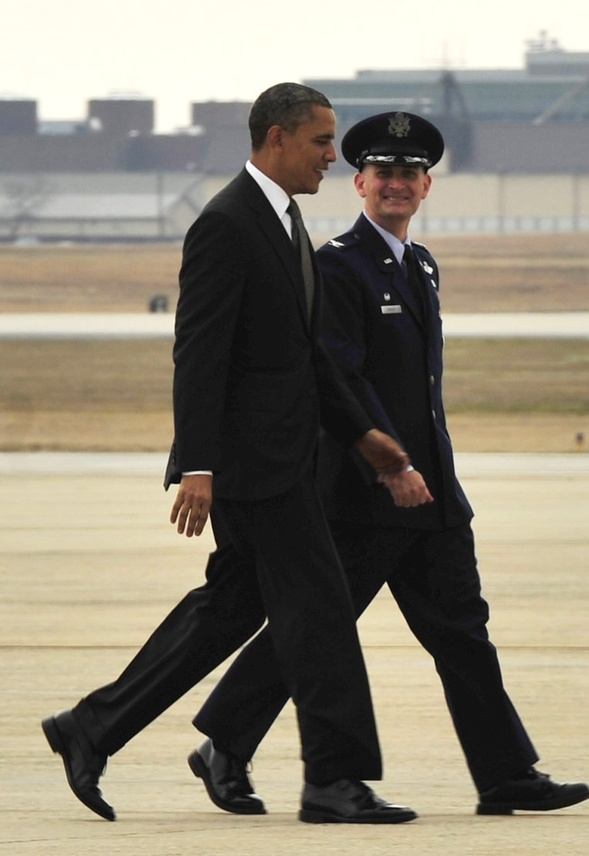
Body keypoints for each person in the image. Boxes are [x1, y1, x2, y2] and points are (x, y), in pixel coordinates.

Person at [188, 111, 589, 816]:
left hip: (431, 497)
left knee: (464, 634)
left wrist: (431, 476)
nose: (397, 186)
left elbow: (420, 390)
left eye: (410, 176)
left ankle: (505, 776)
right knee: (314, 633)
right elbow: (340, 379)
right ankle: (225, 741)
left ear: (427, 186)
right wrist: (389, 462)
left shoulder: (421, 264)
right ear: (361, 183)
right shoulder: (338, 267)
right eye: (384, 175)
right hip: (361, 497)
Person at [41, 85, 418, 825]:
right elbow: (199, 353)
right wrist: (200, 466)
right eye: (320, 141)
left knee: (229, 609)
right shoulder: (226, 224)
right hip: (255, 467)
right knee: (321, 610)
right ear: (275, 140)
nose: (332, 156)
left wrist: (363, 436)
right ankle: (334, 783)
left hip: (280, 459)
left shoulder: (286, 220)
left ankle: (91, 726)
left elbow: (309, 357)